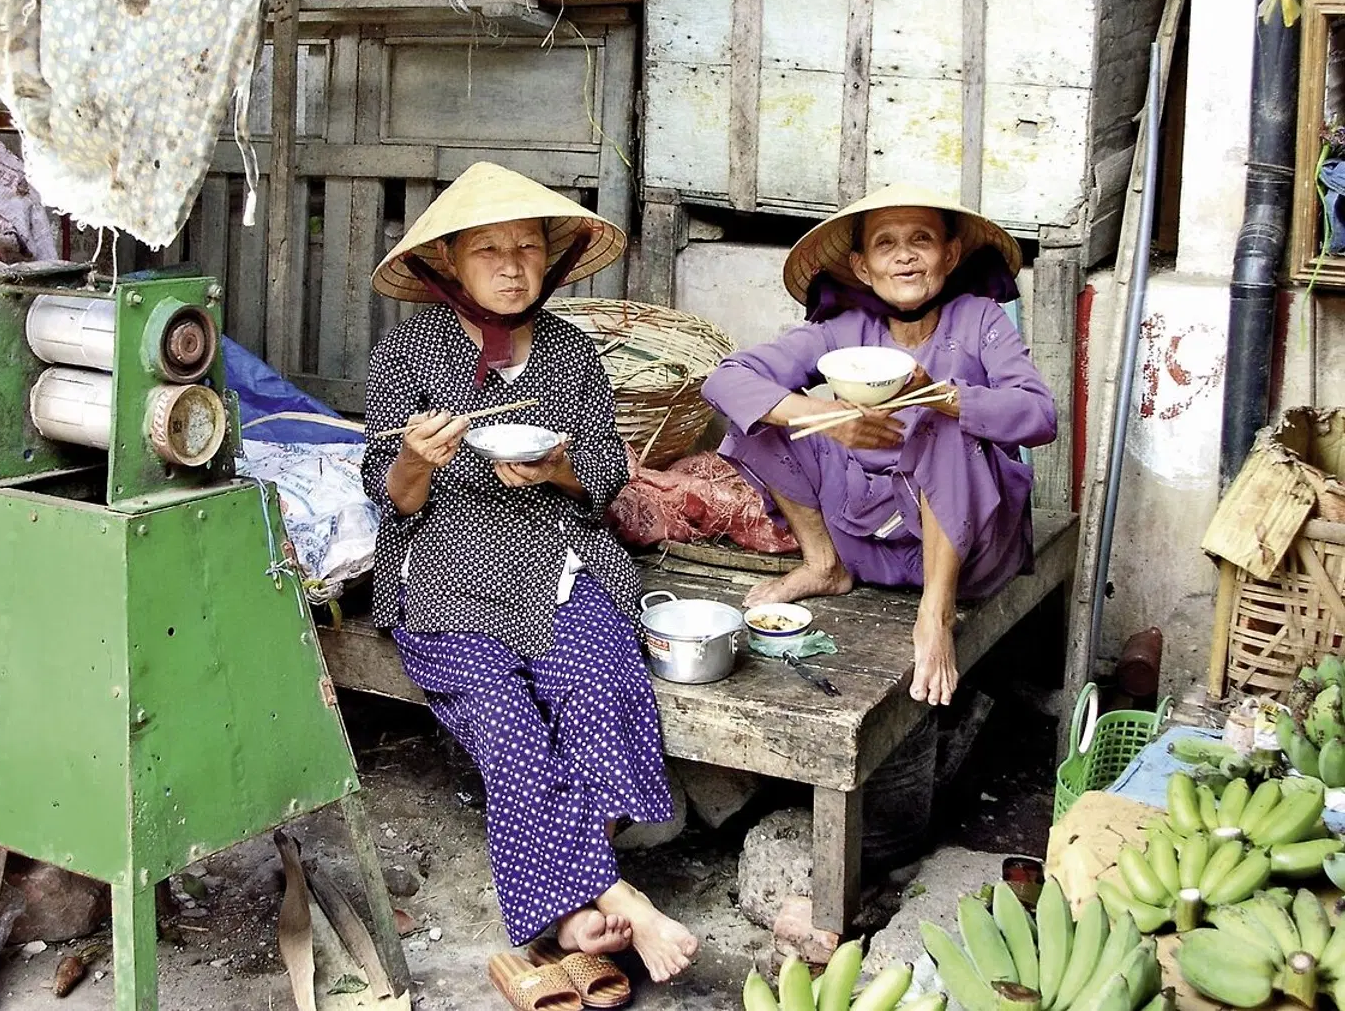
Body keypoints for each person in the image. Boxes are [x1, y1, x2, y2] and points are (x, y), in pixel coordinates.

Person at [361, 162, 699, 983]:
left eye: (526, 248)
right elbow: (389, 493)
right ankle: (617, 894)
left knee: (602, 674)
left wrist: (557, 472)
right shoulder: (408, 354)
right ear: (450, 264)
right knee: (505, 719)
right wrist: (415, 457)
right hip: (445, 565)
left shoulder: (573, 353)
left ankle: (576, 912)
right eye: (489, 251)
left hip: (553, 552)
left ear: (550, 258)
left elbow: (605, 482)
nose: (512, 267)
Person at [700, 184, 1057, 708]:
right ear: (863, 267)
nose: (905, 256)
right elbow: (726, 380)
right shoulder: (844, 329)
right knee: (761, 419)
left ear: (950, 255)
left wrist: (943, 397)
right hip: (866, 537)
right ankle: (824, 565)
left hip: (966, 548)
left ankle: (934, 615)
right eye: (885, 244)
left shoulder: (980, 320)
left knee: (944, 427)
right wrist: (826, 417)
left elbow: (1040, 416)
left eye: (922, 240)